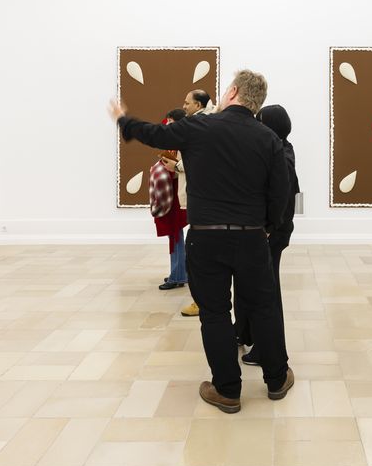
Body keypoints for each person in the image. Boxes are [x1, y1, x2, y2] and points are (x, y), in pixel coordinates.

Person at [109, 69, 292, 414]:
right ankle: (277, 380)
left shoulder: (198, 127)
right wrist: (267, 226)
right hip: (251, 237)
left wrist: (124, 120)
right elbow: (280, 193)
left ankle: (227, 390)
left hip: (206, 238)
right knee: (263, 307)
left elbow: (154, 134)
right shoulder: (268, 138)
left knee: (215, 313)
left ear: (233, 92)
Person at [237, 105, 300, 366]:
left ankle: (266, 351)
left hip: (271, 234)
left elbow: (282, 199)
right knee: (254, 287)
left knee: (267, 293)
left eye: (260, 121)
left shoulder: (282, 157)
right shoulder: (282, 149)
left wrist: (267, 228)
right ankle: (245, 333)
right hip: (272, 231)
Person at [163, 89, 218, 316]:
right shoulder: (205, 124)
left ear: (198, 105)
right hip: (201, 196)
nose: (184, 106)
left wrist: (175, 166)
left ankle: (201, 299)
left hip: (200, 197)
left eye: (187, 103)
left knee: (199, 251)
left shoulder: (199, 127)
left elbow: (197, 159)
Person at [151, 109, 189, 290]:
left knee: (175, 234)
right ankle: (179, 272)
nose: (167, 126)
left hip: (177, 194)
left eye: (171, 123)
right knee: (175, 235)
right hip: (174, 193)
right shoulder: (179, 140)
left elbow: (181, 169)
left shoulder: (183, 142)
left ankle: (178, 274)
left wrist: (169, 167)